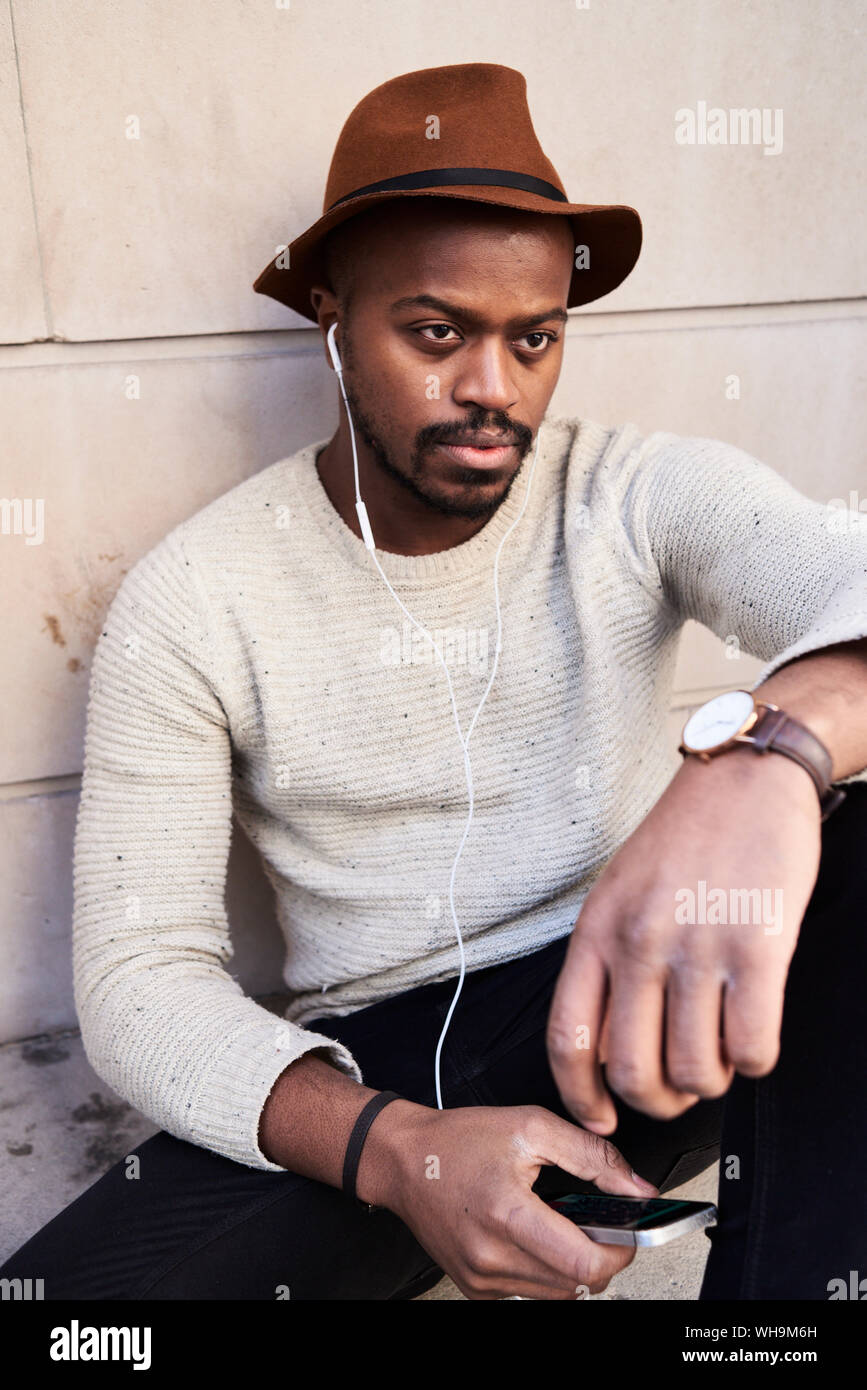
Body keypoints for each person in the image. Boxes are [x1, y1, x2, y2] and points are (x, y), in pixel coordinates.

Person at [2, 63, 866, 1302]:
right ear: (331, 321)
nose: (493, 390)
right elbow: (141, 980)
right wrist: (396, 1151)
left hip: (646, 989)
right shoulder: (195, 596)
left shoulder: (637, 492)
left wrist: (772, 759)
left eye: (535, 338)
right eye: (437, 334)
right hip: (382, 1073)